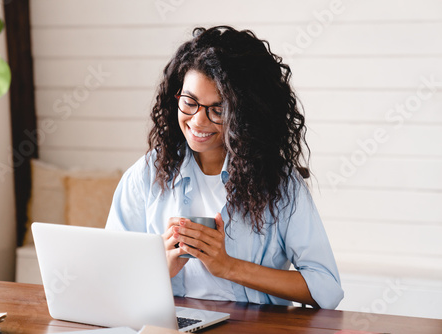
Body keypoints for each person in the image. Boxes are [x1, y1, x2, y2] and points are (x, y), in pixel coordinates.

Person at [106, 26, 344, 309]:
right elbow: (110, 279)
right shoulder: (147, 174)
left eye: (218, 110)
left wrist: (228, 266)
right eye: (190, 102)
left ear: (246, 115)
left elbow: (327, 289)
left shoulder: (278, 183)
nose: (198, 122)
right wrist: (159, 268)